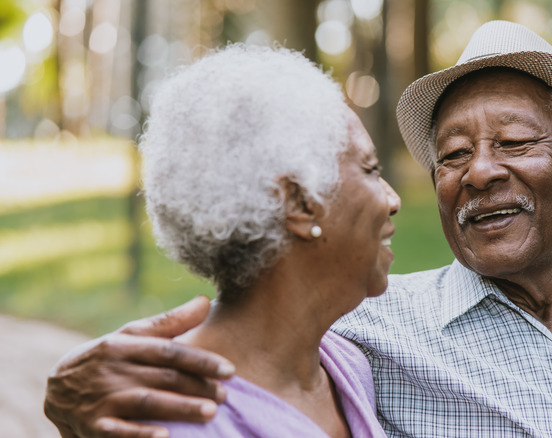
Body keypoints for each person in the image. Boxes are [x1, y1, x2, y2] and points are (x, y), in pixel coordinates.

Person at [44, 21, 552, 437]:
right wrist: (76, 388)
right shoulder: (368, 334)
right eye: (451, 155)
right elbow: (252, 318)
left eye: (513, 142)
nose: (478, 173)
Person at [57, 44, 399, 437]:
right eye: (370, 170)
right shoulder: (179, 416)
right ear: (300, 203)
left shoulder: (346, 366)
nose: (393, 200)